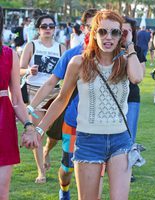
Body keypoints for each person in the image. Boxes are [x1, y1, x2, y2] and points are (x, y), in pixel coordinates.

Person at [31, 10, 143, 199]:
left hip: (120, 140)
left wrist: (130, 43)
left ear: (121, 35)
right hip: (89, 141)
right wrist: (39, 130)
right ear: (93, 33)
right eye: (102, 31)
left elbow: (137, 77)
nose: (108, 37)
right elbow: (61, 99)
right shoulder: (78, 62)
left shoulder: (126, 61)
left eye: (115, 32)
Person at [27, 8, 98, 199]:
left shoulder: (112, 55)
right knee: (67, 168)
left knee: (96, 173)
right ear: (83, 29)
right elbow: (51, 83)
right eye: (92, 27)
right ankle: (64, 190)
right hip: (73, 121)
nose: (96, 32)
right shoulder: (72, 55)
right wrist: (31, 106)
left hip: (100, 126)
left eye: (99, 27)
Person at [20, 14, 66, 184]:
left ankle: (47, 150)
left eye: (51, 26)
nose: (48, 29)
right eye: (44, 26)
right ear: (38, 29)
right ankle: (41, 171)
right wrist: (28, 71)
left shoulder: (61, 48)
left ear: (55, 29)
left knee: (54, 134)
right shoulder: (32, 46)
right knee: (36, 132)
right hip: (34, 91)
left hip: (55, 94)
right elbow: (19, 69)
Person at [0, 6, 38, 200]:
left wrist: (29, 126)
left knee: (1, 192)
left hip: (3, 125)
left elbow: (16, 98)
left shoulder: (9, 54)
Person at [122, 16, 146, 182]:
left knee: (129, 134)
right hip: (112, 98)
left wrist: (130, 52)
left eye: (127, 31)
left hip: (131, 97)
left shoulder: (137, 50)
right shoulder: (108, 49)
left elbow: (139, 76)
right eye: (121, 30)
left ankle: (127, 171)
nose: (124, 34)